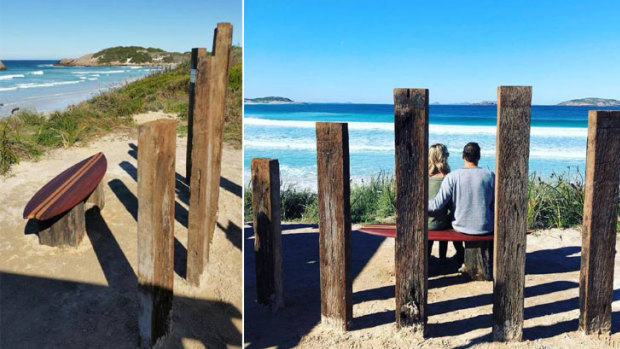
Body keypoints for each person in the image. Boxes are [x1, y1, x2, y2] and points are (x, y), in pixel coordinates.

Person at [428, 142, 494, 236]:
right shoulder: (490, 176)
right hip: (486, 227)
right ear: (479, 157)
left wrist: (417, 203)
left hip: (460, 226)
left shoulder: (452, 176)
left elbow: (436, 205)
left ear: (463, 156)